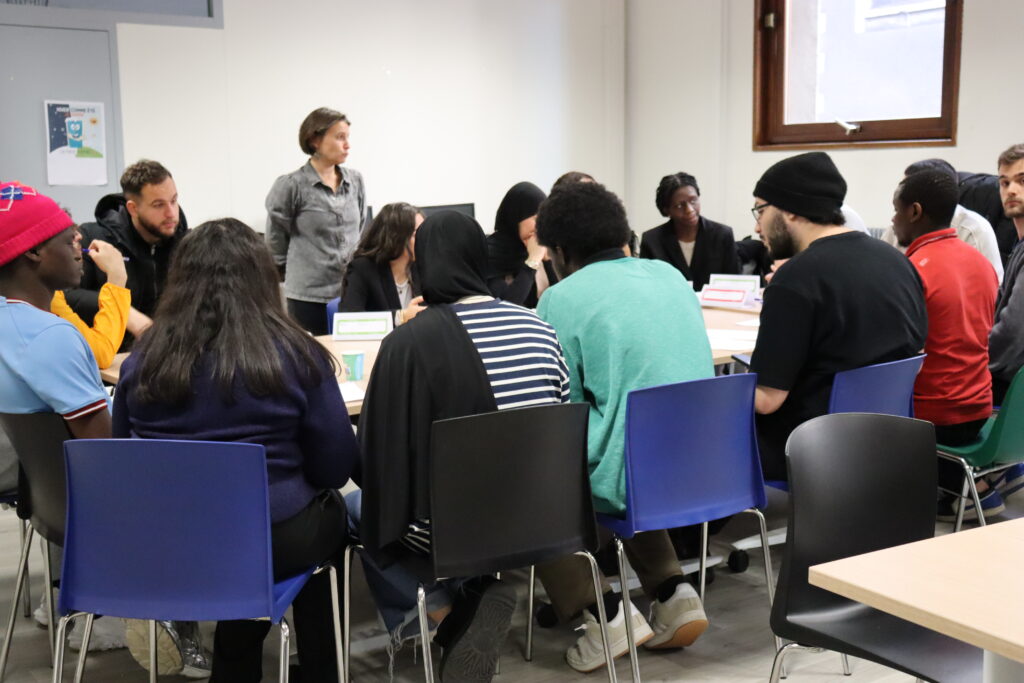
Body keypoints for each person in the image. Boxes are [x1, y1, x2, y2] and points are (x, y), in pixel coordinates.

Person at [113, 218, 358, 682]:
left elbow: (124, 457)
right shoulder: (295, 356)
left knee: (251, 549)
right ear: (263, 280)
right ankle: (321, 668)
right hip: (273, 536)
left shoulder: (142, 361)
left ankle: (236, 657)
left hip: (170, 541)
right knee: (328, 523)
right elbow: (334, 467)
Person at [354, 210, 568, 681]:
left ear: (423, 264)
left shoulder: (408, 343)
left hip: (456, 529)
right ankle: (475, 591)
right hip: (543, 516)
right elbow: (560, 416)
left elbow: (372, 459)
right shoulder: (540, 327)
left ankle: (449, 618)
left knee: (359, 508)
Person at [534, 181, 713, 673]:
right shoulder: (670, 276)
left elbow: (564, 406)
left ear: (560, 251)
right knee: (623, 447)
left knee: (534, 484)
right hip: (704, 468)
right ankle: (674, 593)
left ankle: (604, 614)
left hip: (629, 473)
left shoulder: (562, 299)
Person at [0, 181, 127, 650]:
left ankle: (68, 593)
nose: (81, 243)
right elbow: (108, 458)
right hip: (94, 505)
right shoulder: (50, 336)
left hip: (48, 502)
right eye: (68, 235)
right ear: (34, 252)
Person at [749, 152, 927, 482]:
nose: (757, 226)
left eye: (761, 210)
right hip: (890, 443)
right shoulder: (898, 262)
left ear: (790, 209)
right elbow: (914, 359)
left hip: (810, 450)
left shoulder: (795, 279)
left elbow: (766, 400)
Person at [890, 169, 1001, 520]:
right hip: (979, 406)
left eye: (896, 210)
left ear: (915, 211)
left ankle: (961, 489)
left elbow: (897, 350)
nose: (892, 220)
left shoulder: (913, 269)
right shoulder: (980, 262)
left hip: (934, 416)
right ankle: (971, 486)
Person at [65, 159, 187, 349]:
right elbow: (66, 296)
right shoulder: (92, 238)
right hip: (110, 358)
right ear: (133, 208)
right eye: (158, 205)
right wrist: (125, 312)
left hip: (168, 356)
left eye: (173, 201)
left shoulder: (186, 244)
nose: (171, 213)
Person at [266, 107, 366, 335]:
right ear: (315, 140)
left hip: (350, 290)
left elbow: (358, 227)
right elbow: (276, 239)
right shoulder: (291, 185)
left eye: (348, 137)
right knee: (312, 352)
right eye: (340, 137)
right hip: (308, 295)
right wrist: (289, 271)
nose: (347, 145)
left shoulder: (355, 181)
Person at [881, 158, 1004, 282]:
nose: (900, 194)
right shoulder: (896, 229)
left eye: (905, 189)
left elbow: (993, 286)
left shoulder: (974, 230)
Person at [640, 172, 740, 291]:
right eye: (679, 206)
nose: (690, 210)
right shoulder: (652, 240)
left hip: (715, 302)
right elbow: (648, 286)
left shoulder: (722, 235)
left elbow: (734, 283)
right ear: (667, 210)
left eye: (693, 201)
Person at [340, 202, 425, 326]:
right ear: (396, 238)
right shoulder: (362, 268)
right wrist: (400, 317)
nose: (425, 240)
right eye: (417, 234)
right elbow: (348, 321)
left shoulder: (423, 267)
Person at [50, 237, 130, 369]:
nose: (79, 237)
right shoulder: (47, 300)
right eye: (69, 233)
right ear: (34, 252)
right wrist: (117, 277)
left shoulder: (51, 296)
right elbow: (100, 354)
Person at [990, 143, 1024, 406]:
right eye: (1005, 182)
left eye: (1022, 181)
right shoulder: (1018, 245)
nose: (1011, 190)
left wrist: (973, 360)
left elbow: (1013, 333)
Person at [485, 181, 555, 307]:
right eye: (536, 218)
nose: (542, 226)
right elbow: (508, 308)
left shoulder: (534, 249)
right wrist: (532, 261)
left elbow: (560, 302)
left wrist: (548, 262)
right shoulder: (488, 254)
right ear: (516, 216)